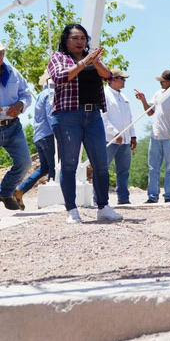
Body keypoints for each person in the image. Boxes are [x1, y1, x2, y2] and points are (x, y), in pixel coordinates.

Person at [47, 24, 123, 223]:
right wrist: (83, 64)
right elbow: (60, 77)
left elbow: (108, 76)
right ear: (66, 40)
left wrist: (95, 62)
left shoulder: (92, 58)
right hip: (67, 117)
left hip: (93, 115)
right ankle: (72, 210)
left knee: (101, 164)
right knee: (70, 164)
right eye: (75, 38)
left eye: (83, 38)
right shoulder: (59, 57)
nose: (80, 42)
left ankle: (103, 206)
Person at [135, 70, 170, 203]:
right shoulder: (158, 94)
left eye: (163, 80)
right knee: (153, 168)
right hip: (155, 136)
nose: (160, 82)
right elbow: (150, 112)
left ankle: (168, 196)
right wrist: (143, 100)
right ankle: (152, 196)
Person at [12, 73, 56, 210]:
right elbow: (51, 116)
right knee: (54, 167)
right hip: (49, 135)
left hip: (39, 136)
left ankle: (20, 190)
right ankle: (54, 199)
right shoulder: (50, 95)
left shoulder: (41, 96)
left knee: (45, 168)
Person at [0, 43, 34, 211]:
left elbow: (26, 95)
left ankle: (5, 192)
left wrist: (20, 104)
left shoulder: (13, 72)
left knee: (25, 162)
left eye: (1, 53)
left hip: (13, 126)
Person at [101, 68, 137, 205]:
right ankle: (100, 198)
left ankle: (123, 198)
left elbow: (130, 119)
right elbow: (103, 117)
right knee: (103, 169)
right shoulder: (104, 95)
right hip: (109, 139)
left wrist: (133, 136)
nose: (124, 81)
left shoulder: (124, 97)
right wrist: (114, 133)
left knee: (124, 171)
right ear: (112, 79)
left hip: (125, 140)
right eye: (122, 79)